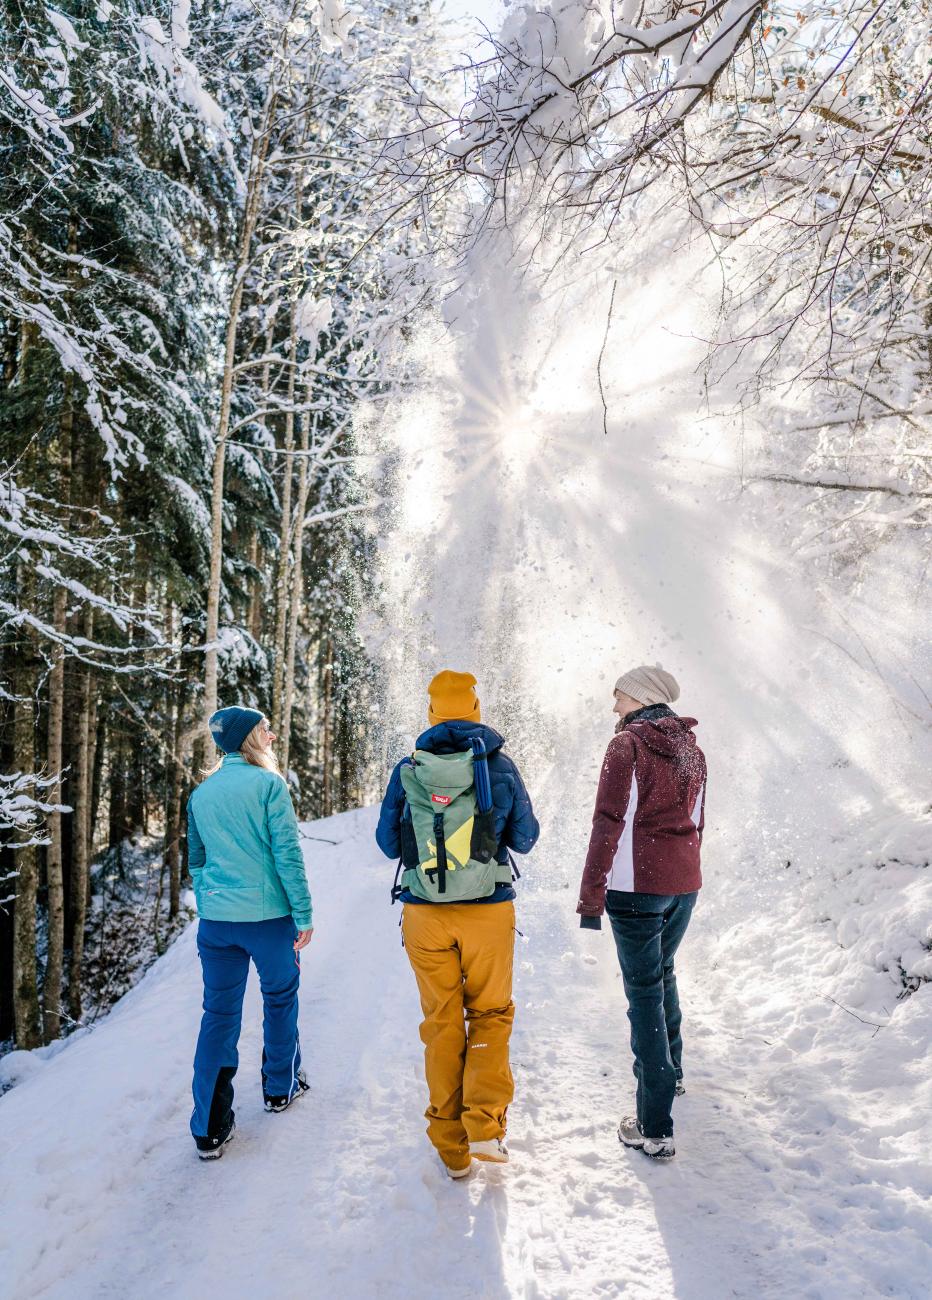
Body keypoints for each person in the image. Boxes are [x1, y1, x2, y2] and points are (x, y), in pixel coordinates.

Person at [375, 670, 539, 1179]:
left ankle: (451, 1147)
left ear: (431, 714)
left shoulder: (410, 768)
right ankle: (486, 1127)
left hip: (424, 914)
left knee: (442, 1025)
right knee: (489, 1014)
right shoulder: (499, 766)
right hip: (488, 911)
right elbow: (527, 838)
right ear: (475, 710)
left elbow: (387, 844)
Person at [577, 665, 706, 1161]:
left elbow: (608, 822)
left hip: (636, 890)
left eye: (619, 697)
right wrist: (684, 876)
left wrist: (592, 897)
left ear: (639, 697)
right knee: (663, 973)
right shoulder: (692, 749)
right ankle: (670, 1076)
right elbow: (698, 822)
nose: (613, 706)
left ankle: (654, 1127)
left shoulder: (626, 746)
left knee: (645, 993)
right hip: (682, 886)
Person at [186, 706, 313, 1160]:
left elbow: (196, 861)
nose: (273, 735)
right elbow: (288, 857)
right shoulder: (269, 786)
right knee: (280, 996)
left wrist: (214, 899)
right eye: (266, 729)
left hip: (217, 925)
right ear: (246, 739)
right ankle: (280, 1088)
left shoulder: (201, 795)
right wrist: (303, 914)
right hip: (269, 920)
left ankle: (208, 1128)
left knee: (218, 1016)